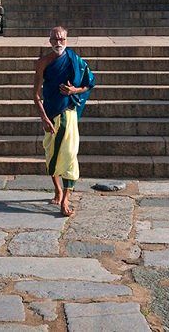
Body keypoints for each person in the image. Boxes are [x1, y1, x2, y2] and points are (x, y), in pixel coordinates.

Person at [33, 24, 95, 216]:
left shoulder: (75, 60)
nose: (58, 42)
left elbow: (89, 83)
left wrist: (74, 90)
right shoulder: (43, 62)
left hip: (68, 113)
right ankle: (58, 190)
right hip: (51, 113)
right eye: (55, 39)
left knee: (69, 155)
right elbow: (35, 95)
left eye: (62, 39)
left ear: (66, 40)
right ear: (50, 40)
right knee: (51, 154)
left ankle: (66, 199)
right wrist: (43, 117)